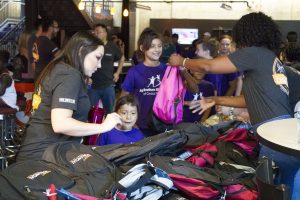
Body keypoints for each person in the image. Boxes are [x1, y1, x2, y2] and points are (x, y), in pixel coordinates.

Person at [169, 12, 300, 197]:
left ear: (245, 34)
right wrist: (216, 100)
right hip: (280, 132)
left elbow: (209, 66)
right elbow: (250, 100)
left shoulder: (254, 53)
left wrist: (181, 61)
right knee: (284, 188)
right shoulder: (268, 59)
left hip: (272, 135)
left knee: (275, 191)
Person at [16, 31, 122, 161]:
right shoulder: (69, 74)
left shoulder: (61, 69)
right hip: (42, 157)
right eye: (97, 57)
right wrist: (103, 127)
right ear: (81, 50)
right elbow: (61, 124)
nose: (99, 65)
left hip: (44, 153)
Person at [121, 28, 167, 136]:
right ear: (142, 48)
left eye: (159, 46)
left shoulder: (167, 70)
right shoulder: (134, 71)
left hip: (163, 124)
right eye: (152, 46)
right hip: (140, 125)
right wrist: (129, 122)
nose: (157, 50)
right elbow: (123, 98)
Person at [88, 23, 124, 113]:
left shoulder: (112, 46)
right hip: (93, 86)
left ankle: (108, 127)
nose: (95, 34)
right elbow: (85, 62)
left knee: (109, 113)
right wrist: (86, 76)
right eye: (94, 32)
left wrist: (117, 73)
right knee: (90, 112)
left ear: (105, 33)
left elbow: (122, 58)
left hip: (108, 85)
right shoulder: (91, 46)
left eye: (98, 32)